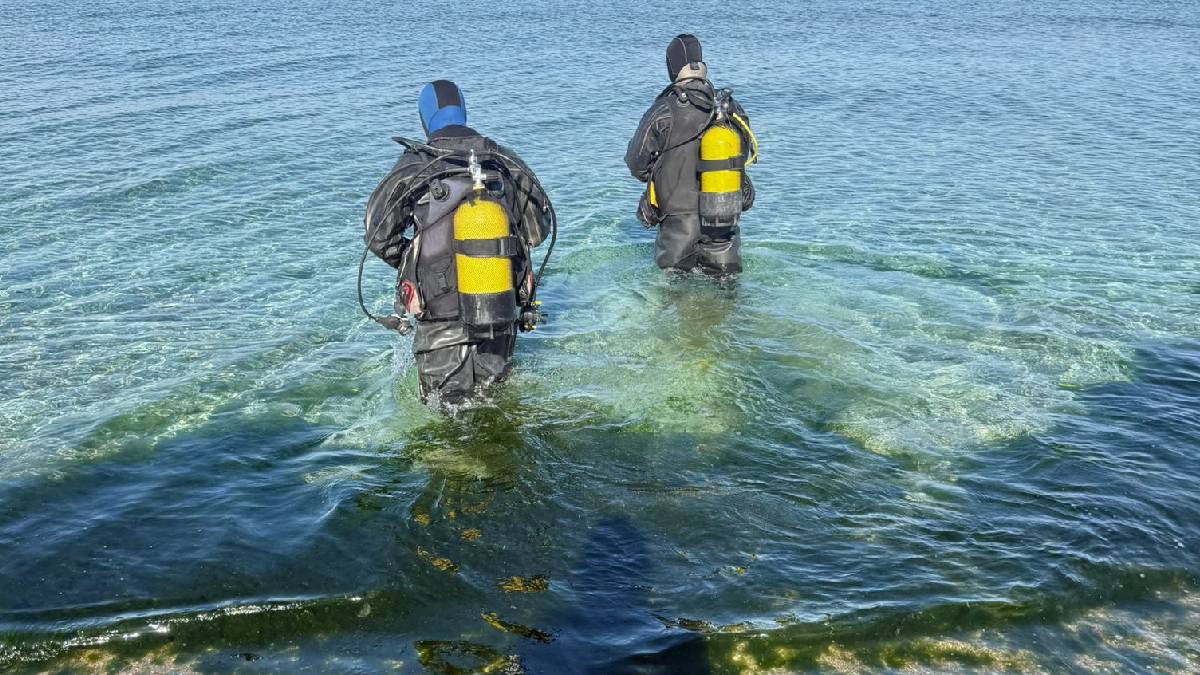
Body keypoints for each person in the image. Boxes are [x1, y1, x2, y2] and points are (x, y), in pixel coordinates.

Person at [361, 80, 555, 405]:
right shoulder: (503, 160)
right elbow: (537, 230)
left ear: (426, 119)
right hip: (498, 308)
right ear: (463, 111)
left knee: (444, 425)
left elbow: (378, 235)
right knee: (496, 407)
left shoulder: (414, 165)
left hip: (440, 320)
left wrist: (415, 263)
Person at [625, 34, 758, 275]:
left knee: (673, 295)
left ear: (672, 68)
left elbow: (636, 164)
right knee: (726, 294)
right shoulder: (728, 106)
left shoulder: (664, 109)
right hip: (723, 218)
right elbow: (744, 153)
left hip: (678, 226)